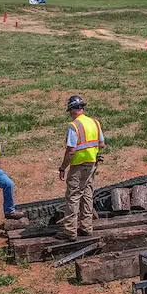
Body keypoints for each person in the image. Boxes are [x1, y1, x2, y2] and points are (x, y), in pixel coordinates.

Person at [56, 95, 104, 241]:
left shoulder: (74, 126)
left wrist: (63, 168)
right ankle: (86, 227)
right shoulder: (95, 122)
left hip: (78, 166)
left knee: (73, 196)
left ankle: (70, 231)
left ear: (72, 110)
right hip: (92, 164)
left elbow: (71, 151)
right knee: (87, 195)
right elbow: (101, 144)